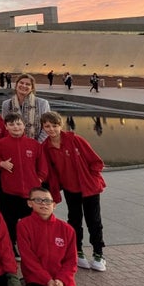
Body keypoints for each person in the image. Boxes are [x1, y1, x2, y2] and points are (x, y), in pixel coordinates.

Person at [41, 111, 107, 271]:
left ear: (60, 125)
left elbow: (96, 161)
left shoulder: (75, 140)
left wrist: (91, 177)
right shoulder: (46, 147)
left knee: (94, 220)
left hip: (88, 188)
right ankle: (77, 251)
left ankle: (99, 253)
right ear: (43, 127)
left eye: (54, 126)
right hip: (71, 189)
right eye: (47, 126)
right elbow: (49, 171)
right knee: (75, 220)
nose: (51, 129)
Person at [17, 187, 86, 286]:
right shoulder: (23, 225)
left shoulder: (67, 229)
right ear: (30, 203)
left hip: (62, 280)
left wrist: (61, 281)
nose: (43, 204)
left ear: (54, 205)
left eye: (47, 201)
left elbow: (71, 261)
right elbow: (29, 259)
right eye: (38, 200)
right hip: (38, 279)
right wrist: (48, 280)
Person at [0, 113, 48, 251]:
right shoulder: (1, 144)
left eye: (18, 124)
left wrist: (38, 180)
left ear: (24, 125)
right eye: (11, 124)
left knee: (32, 220)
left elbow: (43, 166)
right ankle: (10, 245)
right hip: (10, 190)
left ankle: (31, 245)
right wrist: (1, 163)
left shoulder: (34, 144)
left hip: (30, 191)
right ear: (6, 127)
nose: (15, 127)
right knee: (9, 220)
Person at [1, 73, 50, 142]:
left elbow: (47, 126)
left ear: (32, 88)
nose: (24, 85)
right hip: (15, 144)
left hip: (37, 144)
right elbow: (5, 126)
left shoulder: (42, 103)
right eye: (21, 83)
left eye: (28, 84)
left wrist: (37, 144)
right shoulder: (7, 104)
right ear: (16, 85)